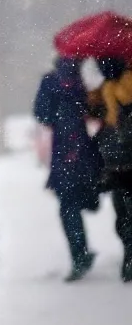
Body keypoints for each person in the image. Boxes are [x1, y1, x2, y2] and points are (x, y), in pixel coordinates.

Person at [35, 53, 104, 280]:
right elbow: (95, 112)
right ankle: (82, 252)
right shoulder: (81, 84)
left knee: (68, 207)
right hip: (83, 151)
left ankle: (80, 255)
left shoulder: (50, 82)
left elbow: (42, 115)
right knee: (79, 200)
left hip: (64, 152)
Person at [87, 55, 132, 282]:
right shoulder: (114, 88)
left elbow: (94, 114)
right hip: (123, 160)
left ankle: (129, 256)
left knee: (123, 215)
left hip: (116, 163)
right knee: (126, 213)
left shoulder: (107, 90)